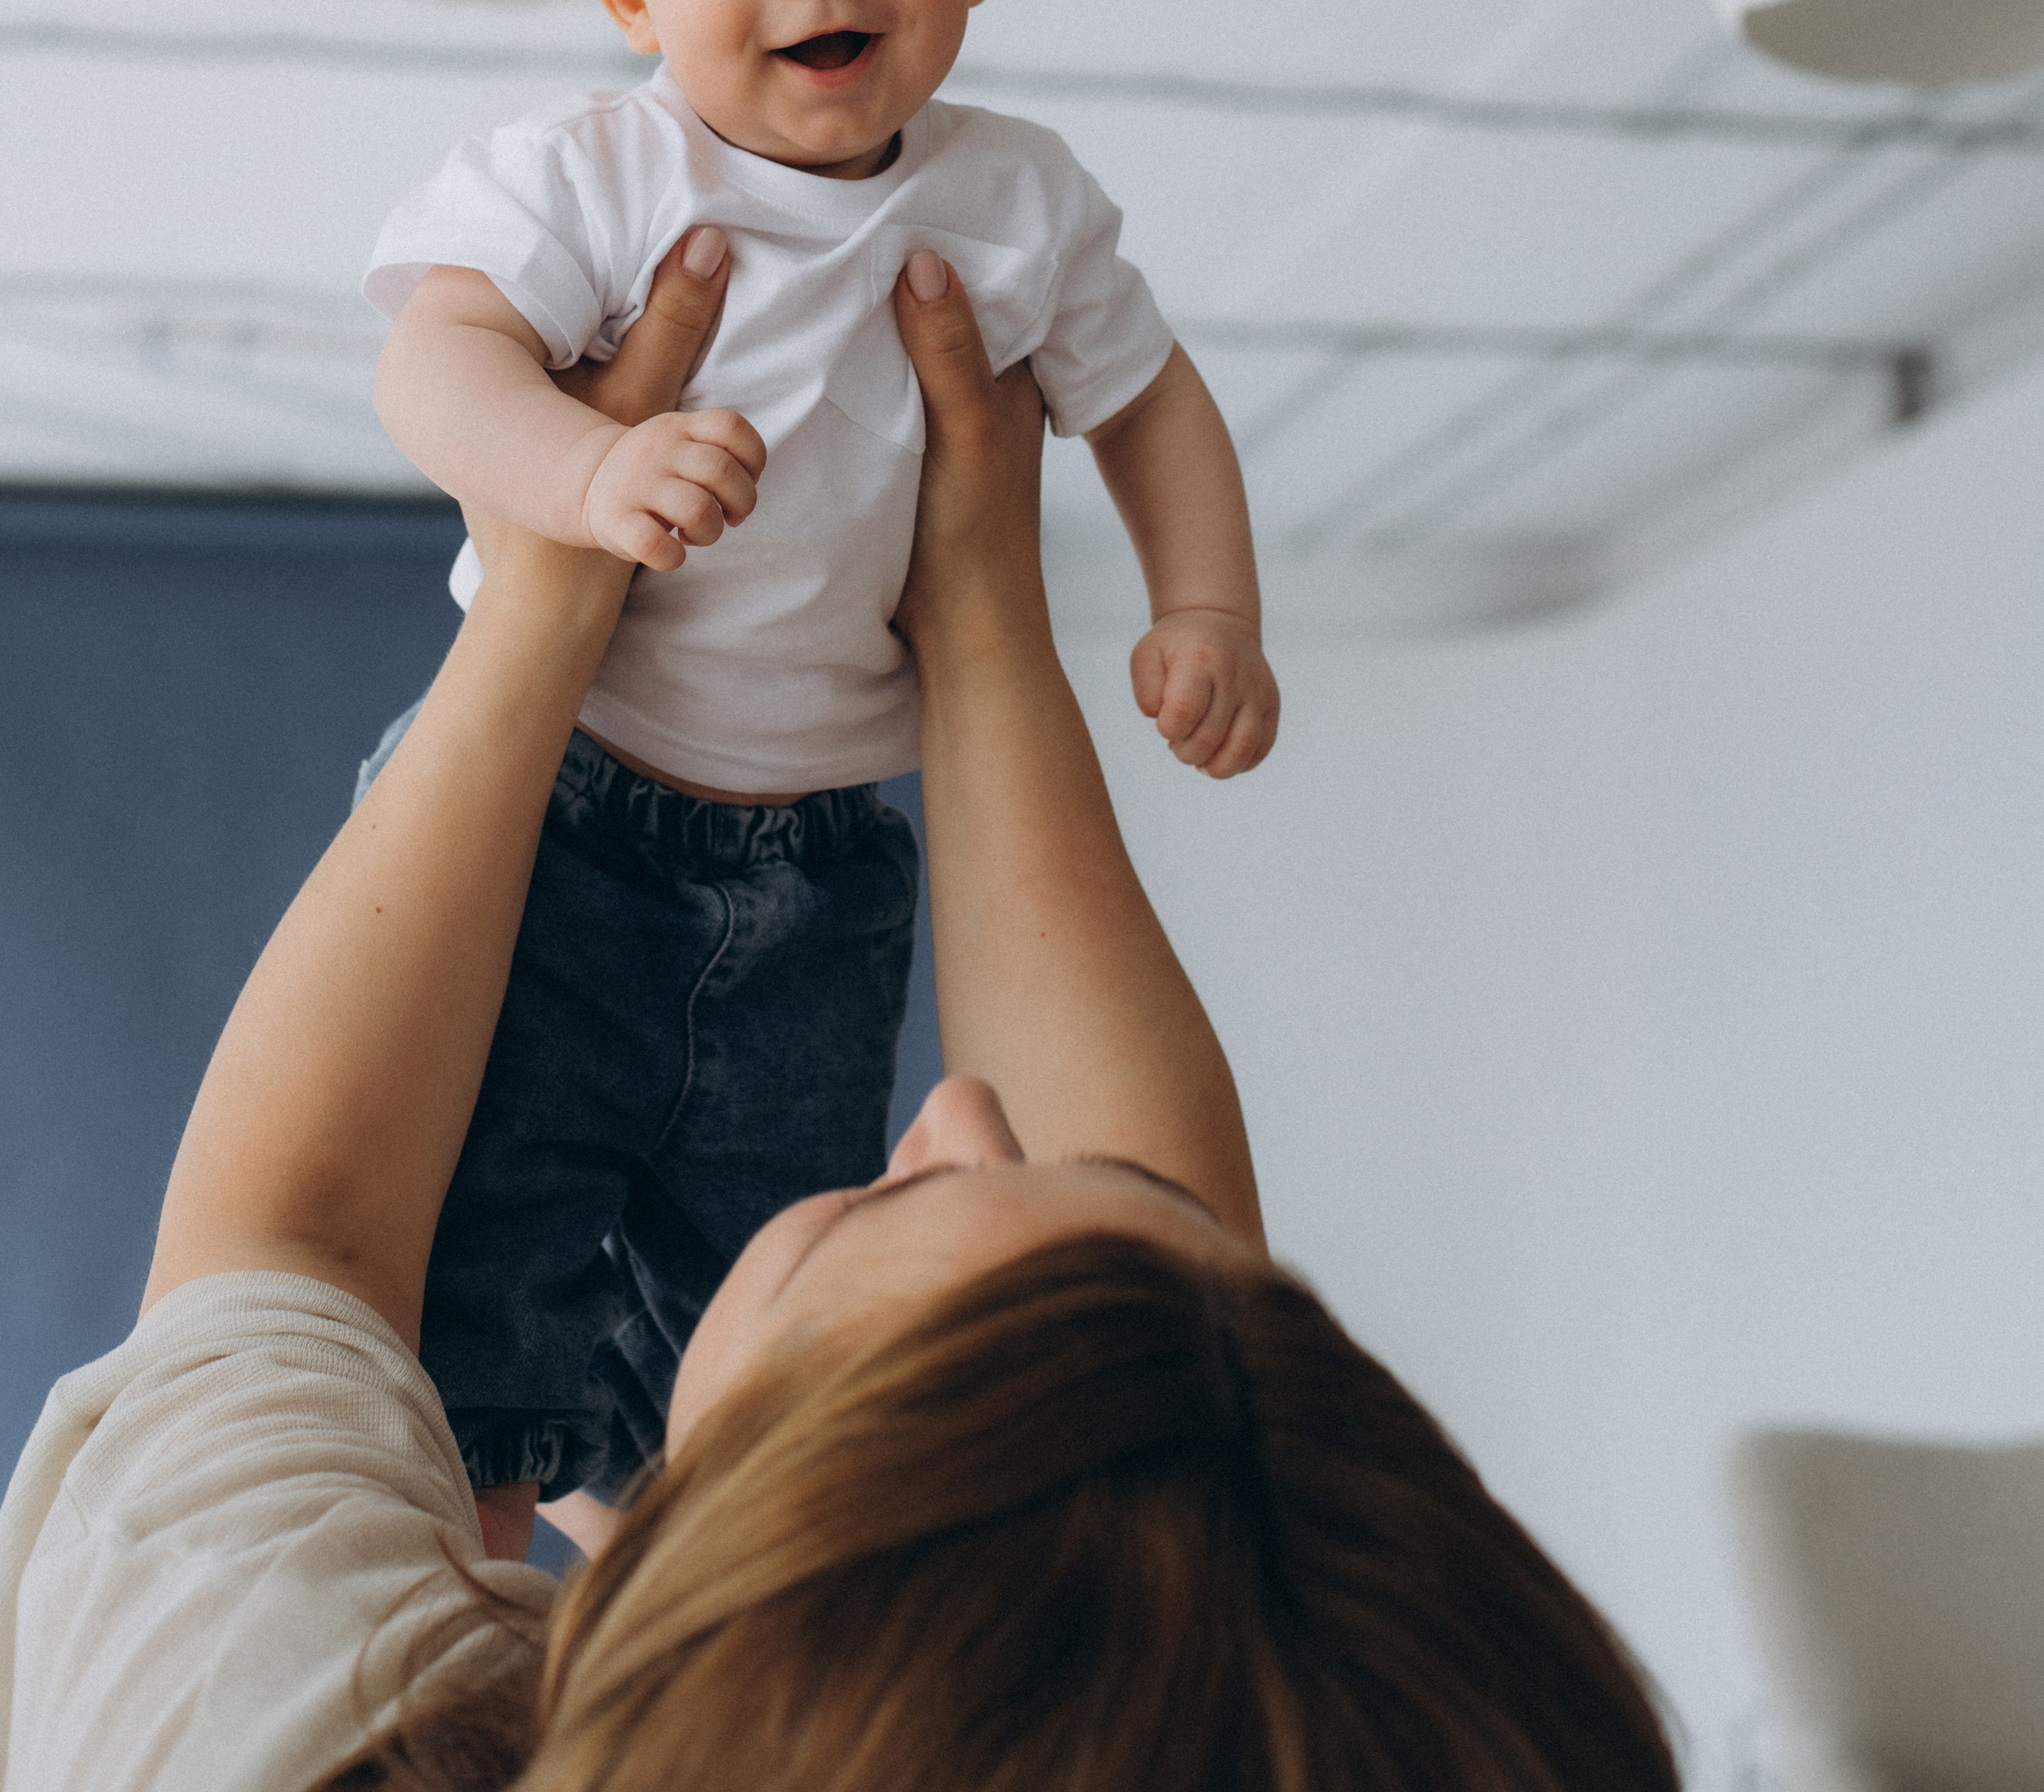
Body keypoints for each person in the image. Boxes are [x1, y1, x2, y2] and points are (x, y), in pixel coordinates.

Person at [0, 255, 1678, 1792]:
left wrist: (544, 591)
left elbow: (301, 1249)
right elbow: (1174, 1458)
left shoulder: (261, 1727)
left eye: (894, 1210)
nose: (953, 1110)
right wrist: (969, 595)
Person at [359, 0, 1280, 1540]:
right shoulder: (595, 177)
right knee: (496, 1215)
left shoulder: (1016, 201)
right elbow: (432, 368)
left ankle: (681, 1552)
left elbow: (1155, 405)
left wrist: (1205, 610)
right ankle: (467, 1546)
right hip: (562, 803)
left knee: (769, 1238)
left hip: (819, 849)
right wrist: (586, 465)